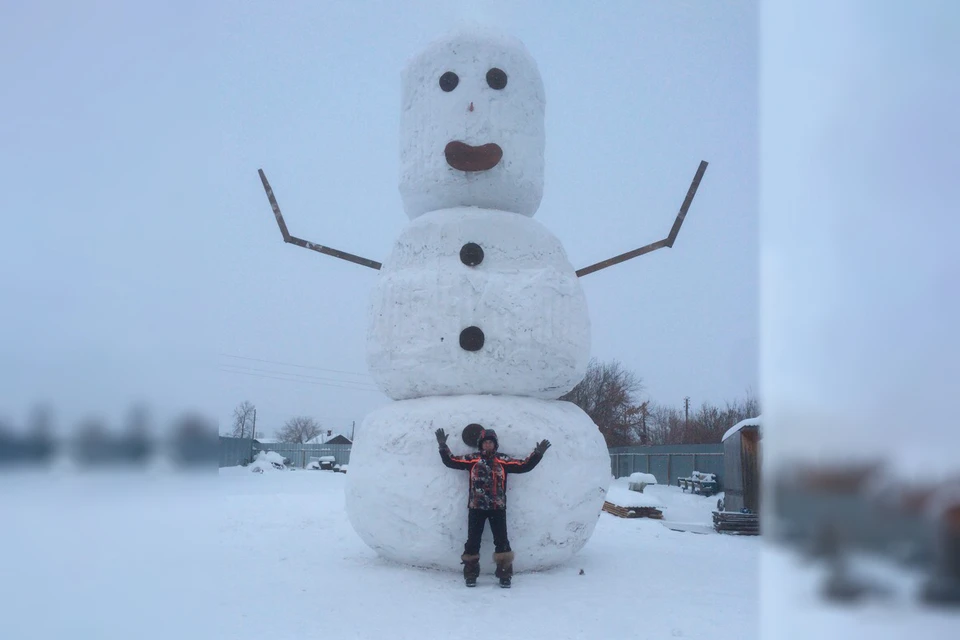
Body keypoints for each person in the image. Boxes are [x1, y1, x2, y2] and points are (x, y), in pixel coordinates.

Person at [435, 426, 551, 588]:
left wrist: (537, 454)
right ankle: (470, 574)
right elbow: (451, 461)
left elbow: (524, 465)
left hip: (498, 508)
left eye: (491, 442)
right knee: (472, 541)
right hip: (476, 508)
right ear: (481, 444)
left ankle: (504, 575)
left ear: (495, 444)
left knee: (502, 541)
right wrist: (442, 446)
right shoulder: (473, 459)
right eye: (485, 442)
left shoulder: (503, 460)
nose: (488, 445)